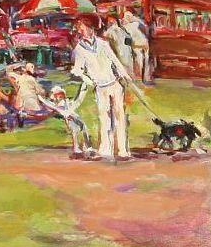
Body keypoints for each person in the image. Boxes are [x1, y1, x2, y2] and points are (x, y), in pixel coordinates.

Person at [71, 16, 132, 160]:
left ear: (92, 28)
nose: (81, 31)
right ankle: (106, 149)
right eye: (79, 28)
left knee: (119, 117)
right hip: (100, 87)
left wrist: (125, 75)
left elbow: (115, 61)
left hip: (115, 84)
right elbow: (77, 70)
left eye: (83, 27)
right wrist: (87, 79)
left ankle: (122, 150)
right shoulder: (79, 49)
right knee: (104, 118)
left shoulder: (103, 44)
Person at [41, 85, 94, 159]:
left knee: (80, 129)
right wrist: (41, 99)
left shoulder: (65, 102)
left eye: (60, 95)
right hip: (69, 117)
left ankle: (83, 149)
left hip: (72, 115)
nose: (59, 97)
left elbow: (77, 101)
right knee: (76, 130)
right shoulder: (58, 104)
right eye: (58, 95)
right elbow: (51, 105)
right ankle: (80, 150)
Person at [121, 10, 151, 83]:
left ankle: (142, 78)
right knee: (144, 61)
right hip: (143, 44)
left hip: (138, 45)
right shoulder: (137, 23)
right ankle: (145, 78)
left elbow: (127, 40)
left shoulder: (129, 26)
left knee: (140, 61)